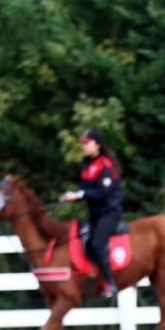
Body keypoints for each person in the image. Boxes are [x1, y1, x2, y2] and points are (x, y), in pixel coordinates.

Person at [59, 128, 123, 298]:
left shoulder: (105, 165)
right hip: (95, 212)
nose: (84, 147)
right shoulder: (87, 164)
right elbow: (85, 188)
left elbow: (102, 192)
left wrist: (79, 195)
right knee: (82, 240)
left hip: (109, 212)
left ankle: (110, 283)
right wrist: (70, 194)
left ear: (98, 145)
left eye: (87, 143)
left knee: (97, 243)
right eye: (83, 144)